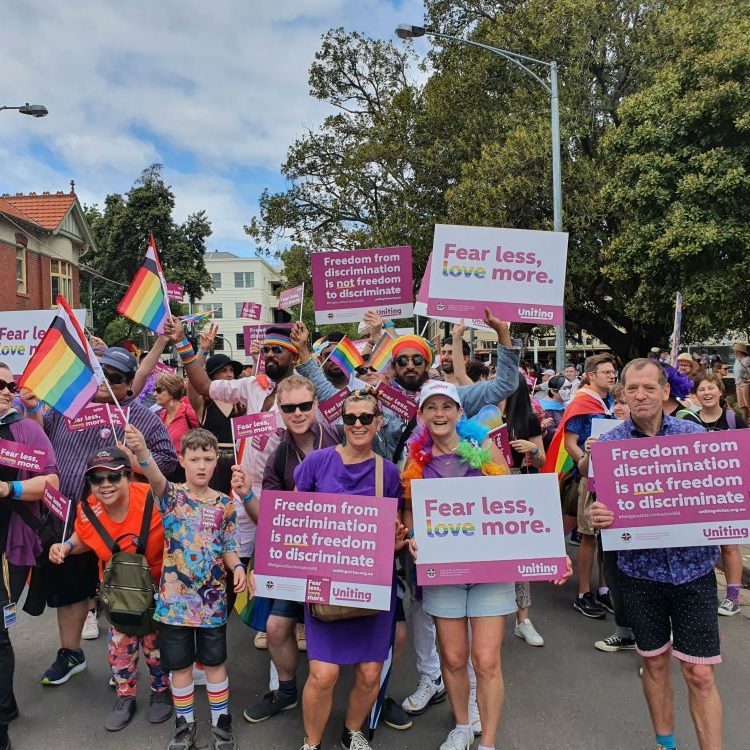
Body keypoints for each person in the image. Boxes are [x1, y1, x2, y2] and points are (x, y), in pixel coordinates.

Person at [404, 381, 571, 750]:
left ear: (459, 412)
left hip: (489, 571)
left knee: (485, 659)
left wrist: (552, 553)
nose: (439, 414)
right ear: (421, 415)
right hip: (443, 570)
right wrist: (411, 533)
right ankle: (462, 725)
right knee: (452, 655)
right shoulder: (416, 459)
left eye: (446, 406)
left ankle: (489, 742)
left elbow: (514, 503)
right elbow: (408, 508)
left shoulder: (482, 448)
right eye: (431, 407)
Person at [590, 358, 722, 750]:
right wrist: (596, 514)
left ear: (666, 392)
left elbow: (720, 490)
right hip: (639, 573)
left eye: (649, 387)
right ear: (624, 395)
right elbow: (597, 507)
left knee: (700, 674)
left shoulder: (693, 435)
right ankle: (667, 745)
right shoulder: (610, 445)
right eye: (632, 388)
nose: (641, 395)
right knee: (654, 662)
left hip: (693, 570)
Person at [27, 346, 177, 687]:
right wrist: (35, 408)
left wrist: (137, 456)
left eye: (115, 378)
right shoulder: (68, 409)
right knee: (70, 588)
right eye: (101, 374)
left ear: (128, 386)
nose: (105, 382)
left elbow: (168, 462)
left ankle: (130, 664)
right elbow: (41, 438)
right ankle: (71, 653)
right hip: (67, 517)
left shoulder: (140, 417)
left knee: (127, 590)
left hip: (121, 522)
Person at [291, 390, 405, 750]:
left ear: (378, 422)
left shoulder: (386, 472)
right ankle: (312, 742)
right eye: (350, 417)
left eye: (365, 418)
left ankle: (352, 731)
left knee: (370, 672)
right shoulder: (317, 463)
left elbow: (394, 527)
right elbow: (294, 519)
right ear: (342, 421)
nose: (357, 424)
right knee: (323, 674)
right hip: (324, 581)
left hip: (371, 582)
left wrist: (398, 538)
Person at [125, 424, 247, 750]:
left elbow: (229, 545)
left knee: (215, 665)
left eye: (208, 458)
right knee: (179, 668)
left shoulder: (225, 503)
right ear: (182, 460)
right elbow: (153, 474)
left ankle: (222, 726)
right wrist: (141, 451)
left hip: (213, 603)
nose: (202, 465)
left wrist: (237, 567)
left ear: (216, 462)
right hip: (174, 605)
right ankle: (185, 727)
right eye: (195, 458)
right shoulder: (171, 496)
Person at [48, 447, 172, 732]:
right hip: (118, 593)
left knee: (156, 648)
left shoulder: (153, 499)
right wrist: (66, 546)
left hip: (158, 590)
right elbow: (85, 535)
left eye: (113, 477)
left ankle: (160, 691)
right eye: (97, 479)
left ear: (128, 477)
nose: (105, 485)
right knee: (120, 650)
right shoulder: (88, 508)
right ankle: (125, 697)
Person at [242, 375, 338, 725]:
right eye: (289, 407)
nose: (297, 413)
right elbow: (267, 518)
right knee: (277, 627)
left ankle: (362, 694)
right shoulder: (278, 455)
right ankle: (286, 691)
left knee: (342, 624)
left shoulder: (341, 437)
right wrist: (246, 496)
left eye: (303, 406)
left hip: (339, 555)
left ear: (315, 405)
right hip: (296, 555)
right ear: (279, 410)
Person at [0, 363, 58, 750]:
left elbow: (51, 483)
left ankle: (2, 711)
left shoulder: (26, 429)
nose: (7, 390)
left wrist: (10, 488)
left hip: (10, 545)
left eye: (11, 384)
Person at [549, 353, 615, 619]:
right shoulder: (582, 402)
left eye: (613, 372)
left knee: (609, 537)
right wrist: (586, 463)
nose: (612, 375)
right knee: (588, 536)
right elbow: (570, 443)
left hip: (613, 476)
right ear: (591, 375)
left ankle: (604, 588)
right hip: (590, 476)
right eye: (607, 372)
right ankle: (583, 592)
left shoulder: (611, 401)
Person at [679, 372, 747, 616]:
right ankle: (701, 594)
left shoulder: (734, 419)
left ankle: (732, 597)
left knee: (728, 545)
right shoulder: (687, 421)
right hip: (696, 494)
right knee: (698, 545)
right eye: (701, 389)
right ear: (695, 395)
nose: (706, 393)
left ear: (720, 392)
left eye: (711, 388)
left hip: (727, 492)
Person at [155, 373, 199, 460]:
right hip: (166, 466)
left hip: (184, 467)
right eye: (155, 390)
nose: (155, 394)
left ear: (171, 392)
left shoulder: (189, 413)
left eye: (159, 390)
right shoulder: (161, 415)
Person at [731, 342, 750, 422]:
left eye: (735, 350)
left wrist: (748, 380)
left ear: (739, 351)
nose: (734, 352)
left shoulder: (747, 359)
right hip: (738, 384)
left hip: (745, 384)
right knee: (741, 405)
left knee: (747, 404)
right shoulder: (737, 360)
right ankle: (744, 421)